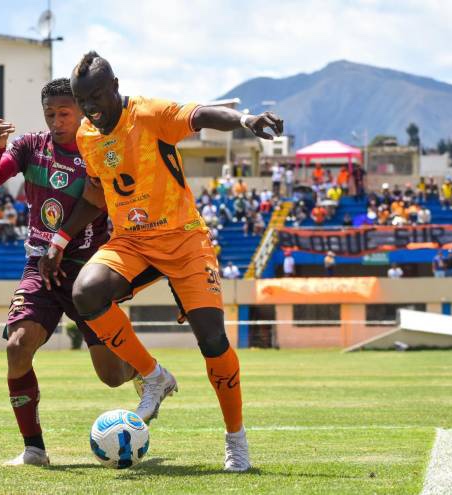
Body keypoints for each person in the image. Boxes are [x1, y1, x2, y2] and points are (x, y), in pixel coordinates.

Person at [39, 52, 283, 472]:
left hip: (184, 241)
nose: (92, 109)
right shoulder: (87, 135)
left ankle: (236, 440)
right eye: (85, 102)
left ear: (115, 87)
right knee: (86, 292)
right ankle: (153, 376)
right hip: (132, 242)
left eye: (97, 97)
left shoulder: (150, 114)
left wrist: (243, 122)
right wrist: (60, 238)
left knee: (212, 342)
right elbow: (97, 194)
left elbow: (201, 115)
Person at [0, 78, 155, 467]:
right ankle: (34, 448)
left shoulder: (99, 149)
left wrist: (61, 243)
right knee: (17, 347)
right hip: (40, 265)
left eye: (64, 113)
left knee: (110, 376)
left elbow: (99, 204)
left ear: (81, 111)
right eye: (50, 115)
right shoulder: (30, 147)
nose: (57, 122)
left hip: (89, 271)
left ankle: (141, 367)